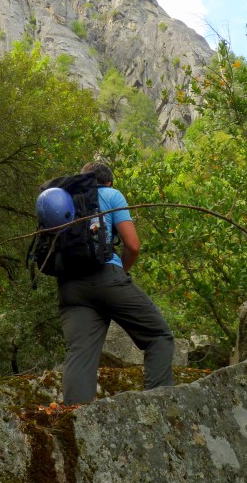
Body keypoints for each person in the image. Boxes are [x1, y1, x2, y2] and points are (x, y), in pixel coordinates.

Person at [57, 161, 174, 405]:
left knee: (81, 355)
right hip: (106, 275)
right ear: (108, 181)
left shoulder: (65, 198)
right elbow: (133, 246)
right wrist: (121, 271)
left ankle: (75, 423)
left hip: (70, 287)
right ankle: (160, 407)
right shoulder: (111, 194)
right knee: (159, 336)